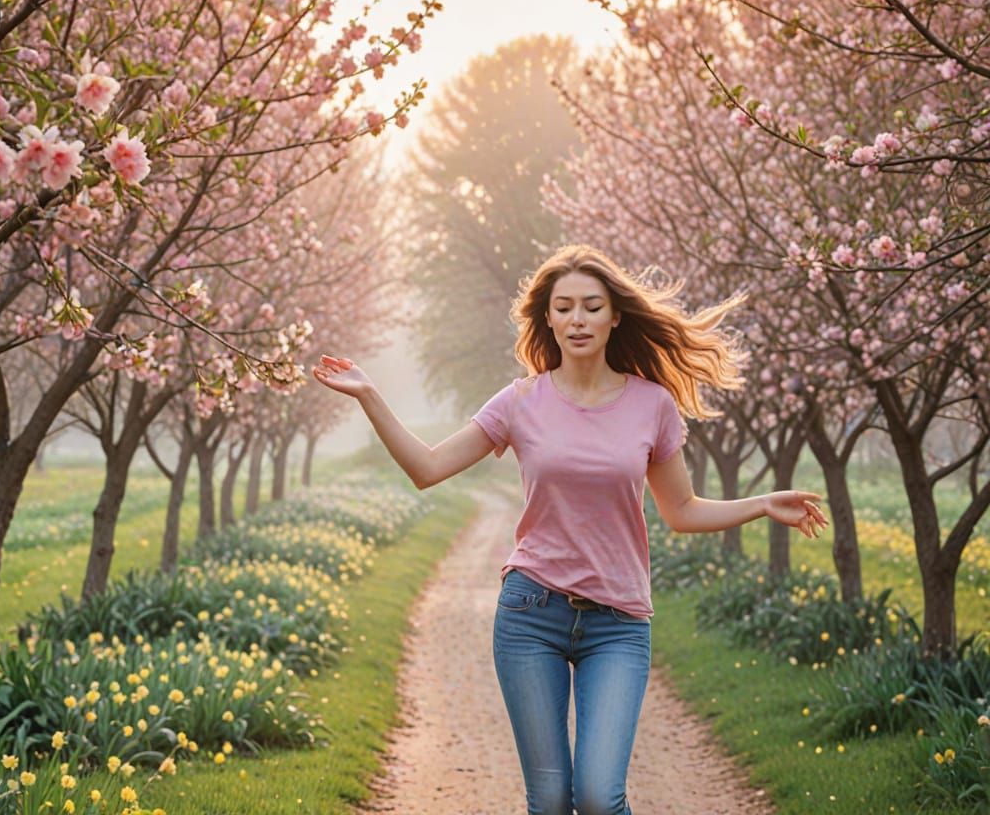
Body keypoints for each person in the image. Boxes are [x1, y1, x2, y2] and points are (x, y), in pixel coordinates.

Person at [311, 243, 827, 815]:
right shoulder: (520, 401)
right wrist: (370, 395)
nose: (577, 319)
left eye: (590, 306)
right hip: (532, 614)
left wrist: (760, 503)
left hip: (619, 623)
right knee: (552, 800)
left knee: (602, 799)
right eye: (564, 308)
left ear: (614, 316)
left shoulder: (652, 405)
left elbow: (681, 511)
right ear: (548, 318)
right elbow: (428, 468)